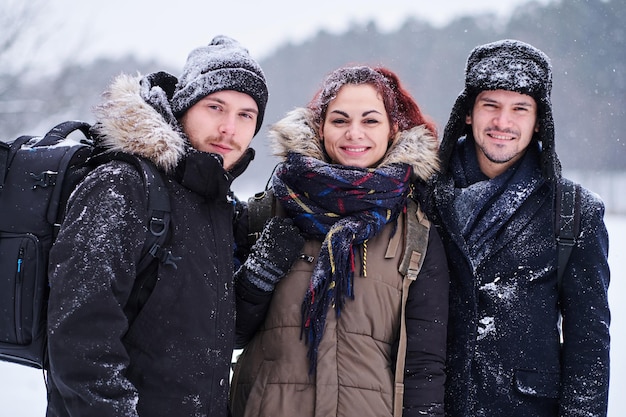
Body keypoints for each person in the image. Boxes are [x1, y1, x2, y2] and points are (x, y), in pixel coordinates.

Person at [45, 35, 268, 417]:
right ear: (183, 108)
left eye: (246, 115)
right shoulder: (123, 185)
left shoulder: (217, 206)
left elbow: (211, 335)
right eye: (215, 107)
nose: (229, 128)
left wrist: (260, 278)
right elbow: (79, 339)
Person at [230, 65, 450, 417]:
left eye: (371, 121)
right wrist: (258, 275)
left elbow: (424, 364)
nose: (354, 133)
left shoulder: (416, 231)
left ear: (394, 130)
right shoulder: (267, 212)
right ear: (320, 127)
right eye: (340, 120)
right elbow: (227, 334)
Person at [425, 39, 611, 417]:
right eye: (490, 105)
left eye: (520, 109)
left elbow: (588, 344)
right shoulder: (423, 197)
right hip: (430, 404)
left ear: (540, 120)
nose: (502, 122)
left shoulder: (574, 211)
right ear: (468, 113)